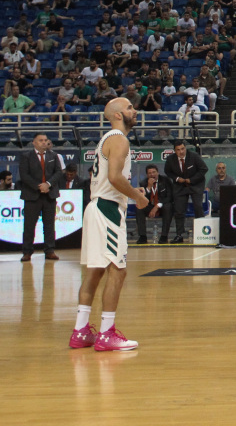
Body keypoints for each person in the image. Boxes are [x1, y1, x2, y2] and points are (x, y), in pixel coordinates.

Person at [70, 98, 153, 351]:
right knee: (118, 269)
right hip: (107, 209)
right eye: (129, 108)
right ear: (117, 115)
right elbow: (114, 177)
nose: (134, 110)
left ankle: (80, 330)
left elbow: (112, 179)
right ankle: (106, 333)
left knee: (95, 271)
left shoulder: (108, 138)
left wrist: (129, 190)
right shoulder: (119, 138)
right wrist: (138, 196)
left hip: (97, 205)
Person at [20, 133, 63, 261]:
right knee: (29, 225)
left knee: (49, 225)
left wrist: (48, 184)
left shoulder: (53, 156)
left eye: (45, 140)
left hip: (49, 195)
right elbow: (24, 175)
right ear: (34, 142)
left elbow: (58, 172)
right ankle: (27, 251)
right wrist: (39, 186)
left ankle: (49, 250)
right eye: (40, 140)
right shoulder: (26, 156)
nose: (44, 142)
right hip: (32, 195)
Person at [163, 141, 207, 243]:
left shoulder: (194, 156)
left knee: (198, 206)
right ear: (175, 151)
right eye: (178, 150)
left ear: (185, 148)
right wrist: (177, 178)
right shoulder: (170, 159)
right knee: (179, 211)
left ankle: (201, 232)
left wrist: (191, 180)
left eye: (182, 149)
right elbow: (167, 171)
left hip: (195, 185)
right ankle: (180, 235)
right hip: (180, 186)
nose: (181, 152)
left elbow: (204, 169)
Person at [135, 164, 175, 245]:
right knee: (139, 208)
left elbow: (170, 197)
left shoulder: (166, 180)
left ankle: (164, 236)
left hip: (162, 205)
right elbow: (143, 199)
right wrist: (149, 187)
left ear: (158, 172)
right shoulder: (143, 183)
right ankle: (142, 237)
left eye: (154, 172)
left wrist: (157, 206)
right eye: (149, 173)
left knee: (168, 207)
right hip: (150, 206)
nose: (152, 174)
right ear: (147, 175)